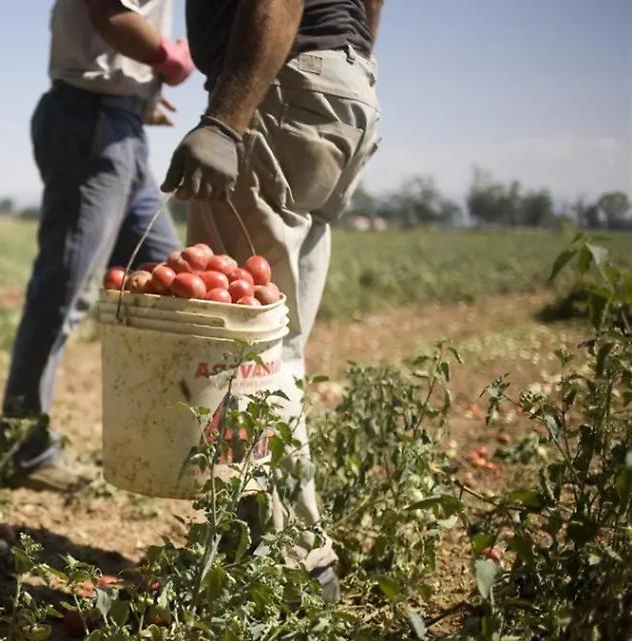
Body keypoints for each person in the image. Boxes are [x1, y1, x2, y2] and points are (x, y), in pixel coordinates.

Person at [161, 0, 383, 602]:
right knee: (277, 344)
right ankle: (263, 549)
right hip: (342, 89)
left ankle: (291, 566)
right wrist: (347, 62)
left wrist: (224, 122)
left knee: (244, 351)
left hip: (280, 87)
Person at [2, 0, 196, 491]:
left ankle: (164, 439)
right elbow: (109, 12)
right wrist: (168, 58)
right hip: (90, 117)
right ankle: (24, 449)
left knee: (167, 281)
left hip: (120, 122)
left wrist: (139, 94)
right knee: (64, 292)